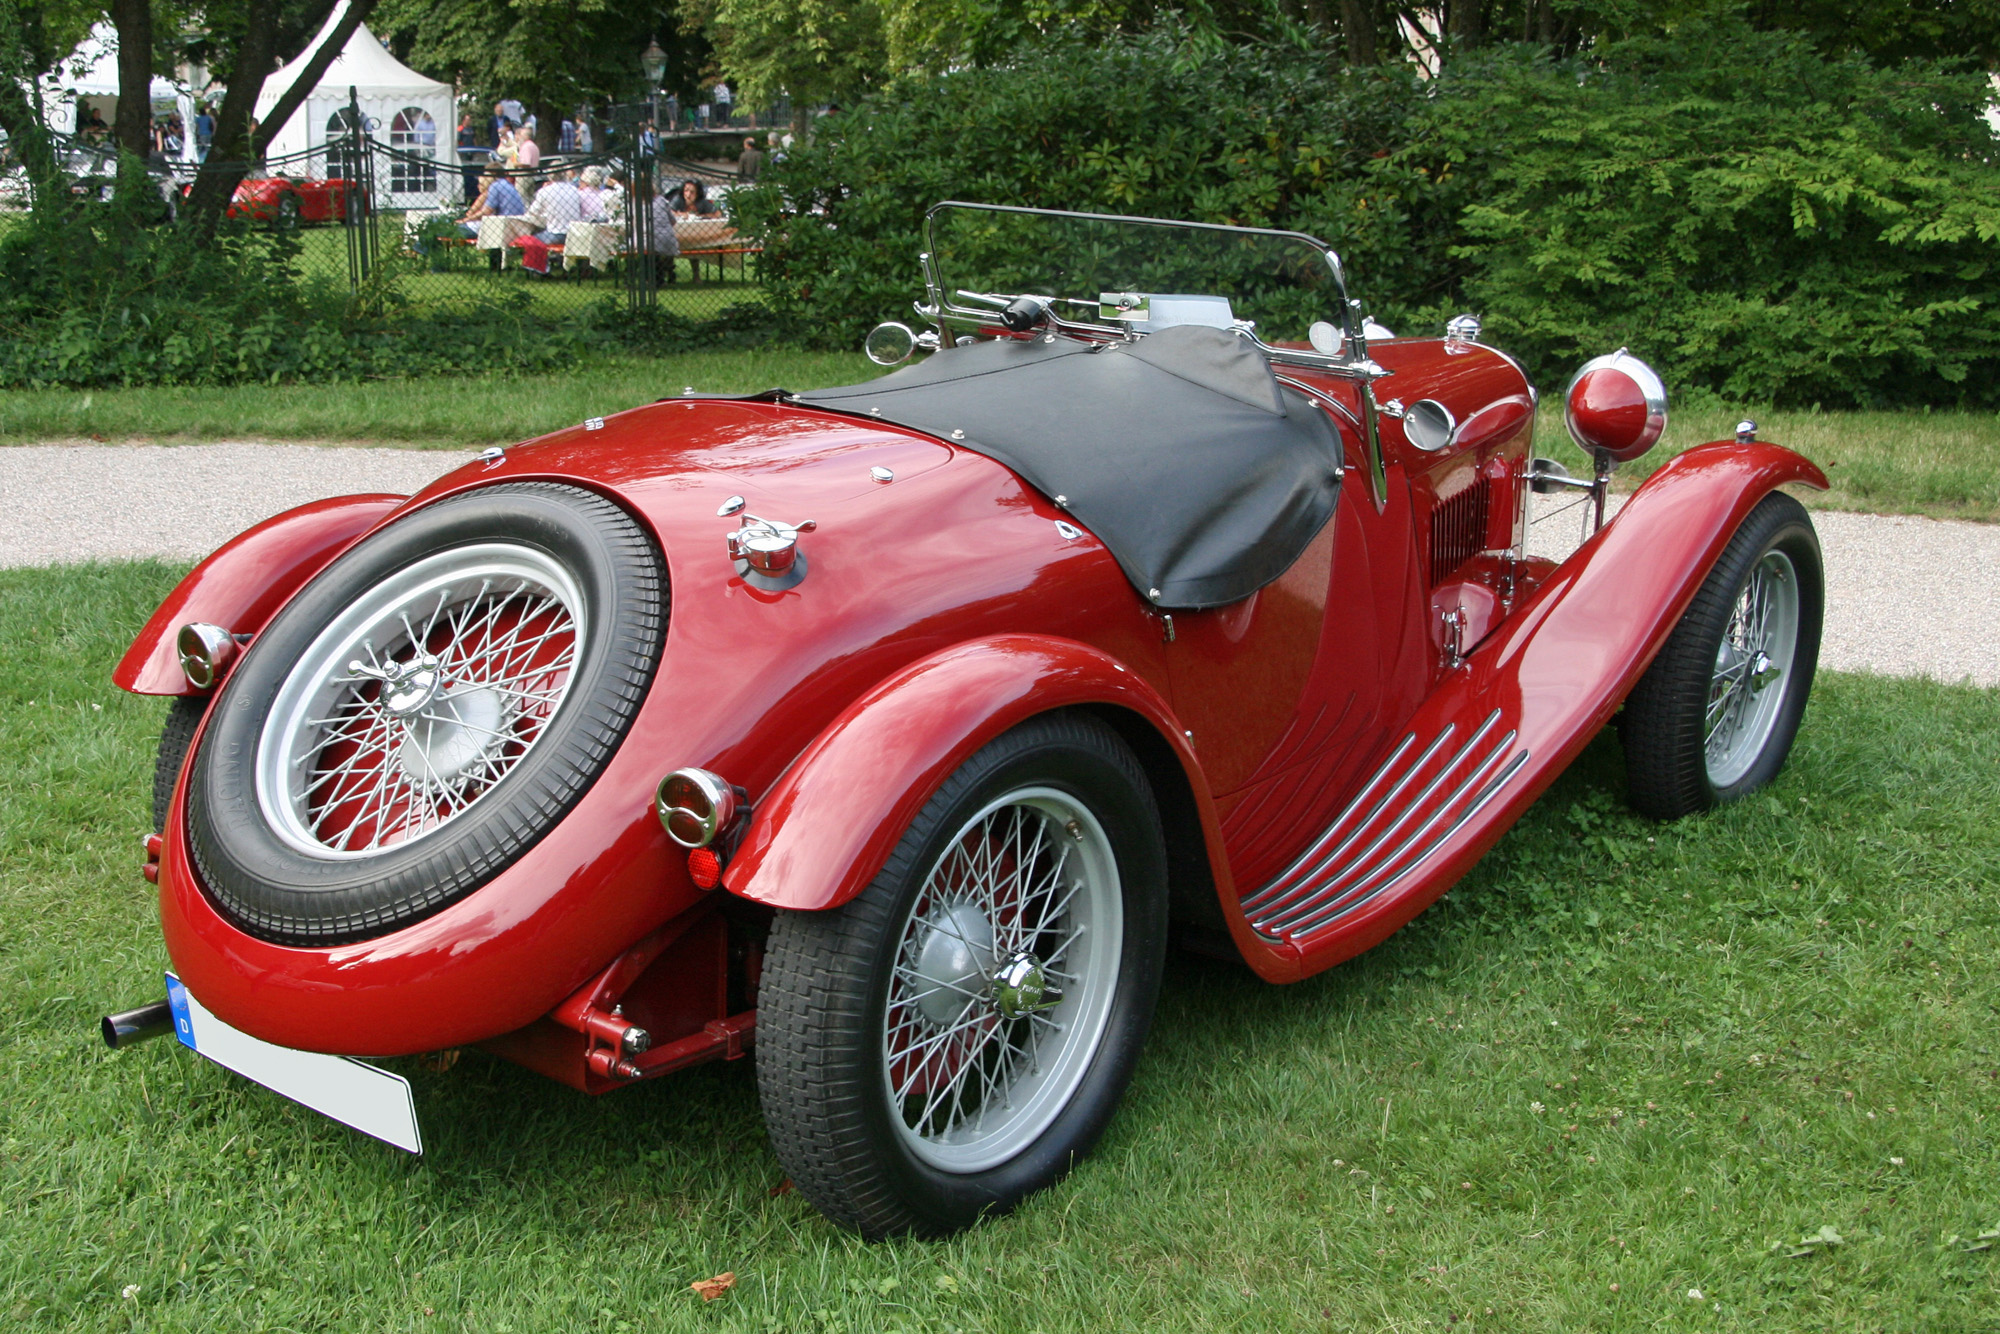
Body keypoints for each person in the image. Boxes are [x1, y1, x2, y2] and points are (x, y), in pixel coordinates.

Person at [459, 164, 524, 236]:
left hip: (503, 226)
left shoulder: (495, 186)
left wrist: (466, 220)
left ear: (492, 175)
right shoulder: (507, 184)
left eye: (486, 174)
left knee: (456, 230)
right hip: (514, 225)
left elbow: (486, 211)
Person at [524, 167, 584, 244]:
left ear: (550, 176)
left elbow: (532, 212)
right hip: (573, 235)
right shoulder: (574, 190)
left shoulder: (545, 191)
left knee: (530, 238)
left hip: (554, 234)